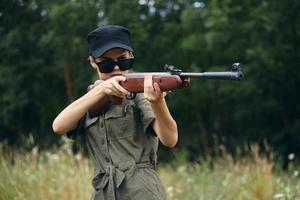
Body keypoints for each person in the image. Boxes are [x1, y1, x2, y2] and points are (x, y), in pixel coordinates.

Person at [52, 25, 178, 200]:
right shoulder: (92, 97)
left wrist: (158, 102)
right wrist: (101, 91)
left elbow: (170, 139)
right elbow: (58, 126)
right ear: (92, 62)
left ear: (131, 57)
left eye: (123, 61)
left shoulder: (139, 94)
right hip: (103, 193)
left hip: (142, 192)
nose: (117, 68)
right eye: (106, 64)